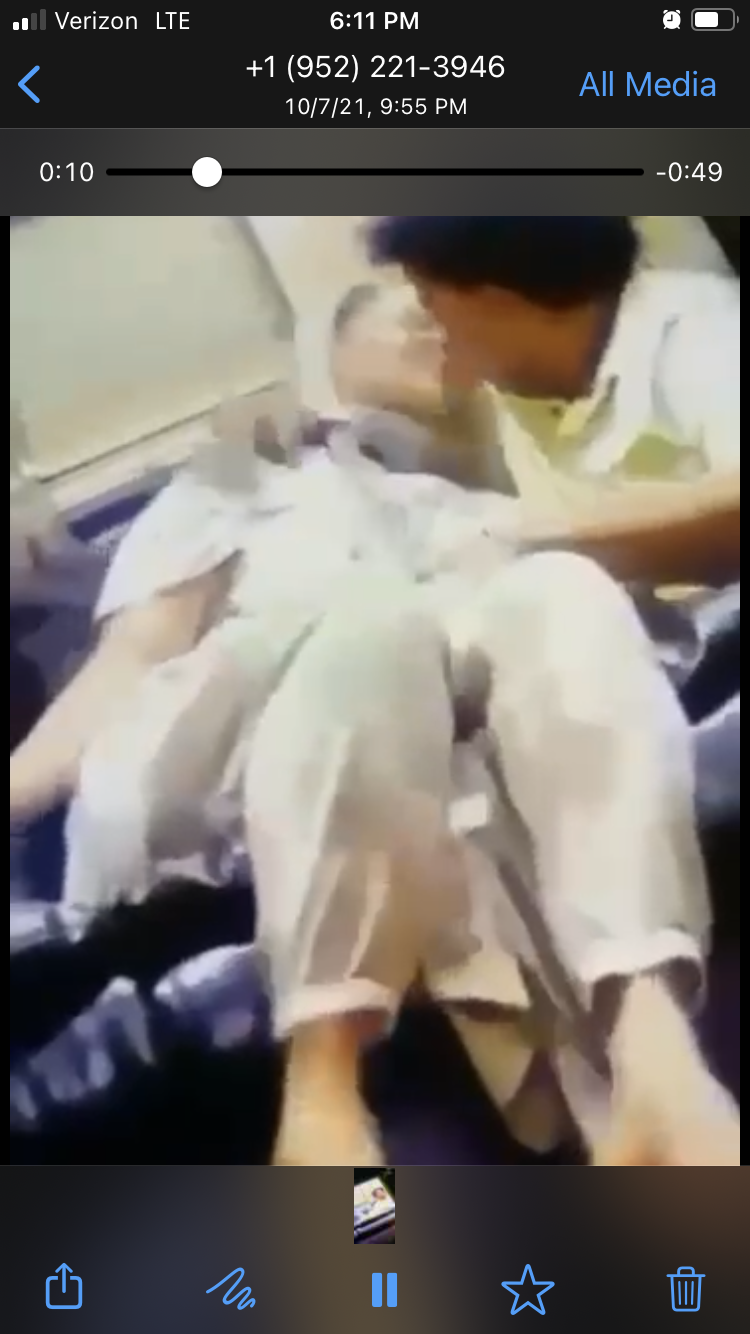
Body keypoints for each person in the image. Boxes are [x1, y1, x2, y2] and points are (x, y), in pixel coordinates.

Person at [10, 399, 739, 1167]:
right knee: (381, 629)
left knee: (560, 591)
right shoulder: (214, 494)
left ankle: (655, 1062)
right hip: (235, 749)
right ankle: (325, 1091)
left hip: (436, 752)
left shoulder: (449, 490)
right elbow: (125, 667)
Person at [362, 216, 740, 584]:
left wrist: (528, 546)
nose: (425, 322)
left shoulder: (698, 330)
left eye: (426, 296)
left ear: (496, 297)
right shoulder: (522, 382)